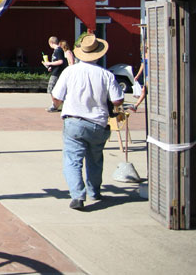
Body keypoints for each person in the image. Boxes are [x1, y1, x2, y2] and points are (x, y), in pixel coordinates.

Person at [51, 34, 124, 210]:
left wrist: (58, 105)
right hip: (98, 122)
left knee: (72, 160)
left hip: (74, 121)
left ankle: (77, 195)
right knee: (95, 159)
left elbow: (56, 97)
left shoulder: (70, 71)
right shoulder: (106, 74)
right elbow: (117, 100)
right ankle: (94, 192)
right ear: (98, 54)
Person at [42, 36, 66, 112]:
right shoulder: (57, 51)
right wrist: (50, 66)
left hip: (57, 73)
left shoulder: (58, 50)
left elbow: (60, 61)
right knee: (55, 88)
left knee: (51, 88)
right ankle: (57, 104)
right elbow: (57, 62)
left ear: (51, 43)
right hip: (55, 70)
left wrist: (49, 62)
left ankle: (55, 105)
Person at [129, 44, 149, 112]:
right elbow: (142, 66)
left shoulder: (150, 54)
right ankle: (135, 106)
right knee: (144, 91)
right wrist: (137, 76)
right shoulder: (144, 55)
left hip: (150, 75)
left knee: (144, 91)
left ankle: (136, 106)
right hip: (147, 76)